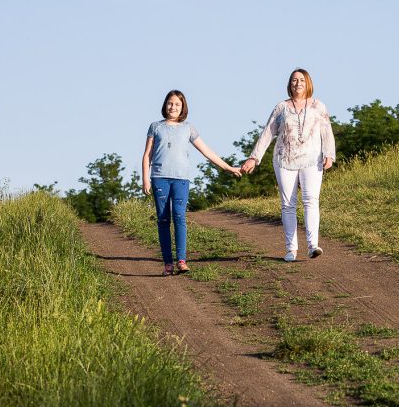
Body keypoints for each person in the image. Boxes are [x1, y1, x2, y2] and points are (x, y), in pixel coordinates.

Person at [142, 89, 241, 276]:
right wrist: (145, 178)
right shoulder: (155, 127)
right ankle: (167, 264)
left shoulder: (189, 128)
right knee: (163, 219)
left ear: (183, 108)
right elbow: (147, 154)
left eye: (177, 104)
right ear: (165, 105)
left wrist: (228, 168)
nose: (173, 107)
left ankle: (181, 260)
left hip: (181, 179)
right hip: (159, 177)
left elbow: (207, 151)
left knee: (179, 216)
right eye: (170, 103)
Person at [241, 68, 336, 262]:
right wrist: (254, 157)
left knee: (311, 200)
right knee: (288, 204)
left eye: (301, 80)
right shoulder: (281, 107)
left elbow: (327, 131)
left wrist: (329, 154)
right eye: (294, 80)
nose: (298, 84)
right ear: (289, 84)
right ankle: (291, 249)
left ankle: (312, 245)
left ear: (308, 83)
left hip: (312, 159)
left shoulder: (318, 106)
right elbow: (267, 133)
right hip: (285, 159)